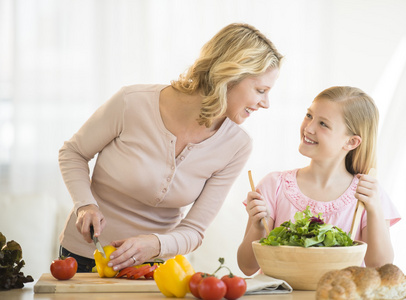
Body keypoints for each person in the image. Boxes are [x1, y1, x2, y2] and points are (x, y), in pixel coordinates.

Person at [58, 23, 283, 272]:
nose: (266, 103)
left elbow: (194, 230)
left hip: (156, 268)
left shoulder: (237, 145)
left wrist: (155, 245)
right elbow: (73, 153)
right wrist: (85, 204)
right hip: (85, 255)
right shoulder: (132, 102)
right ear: (230, 76)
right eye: (261, 90)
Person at [237, 86, 400, 276]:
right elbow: (247, 267)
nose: (309, 127)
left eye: (323, 124)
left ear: (351, 142)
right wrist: (257, 228)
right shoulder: (273, 186)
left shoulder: (367, 194)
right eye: (309, 115)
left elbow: (380, 267)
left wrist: (374, 209)